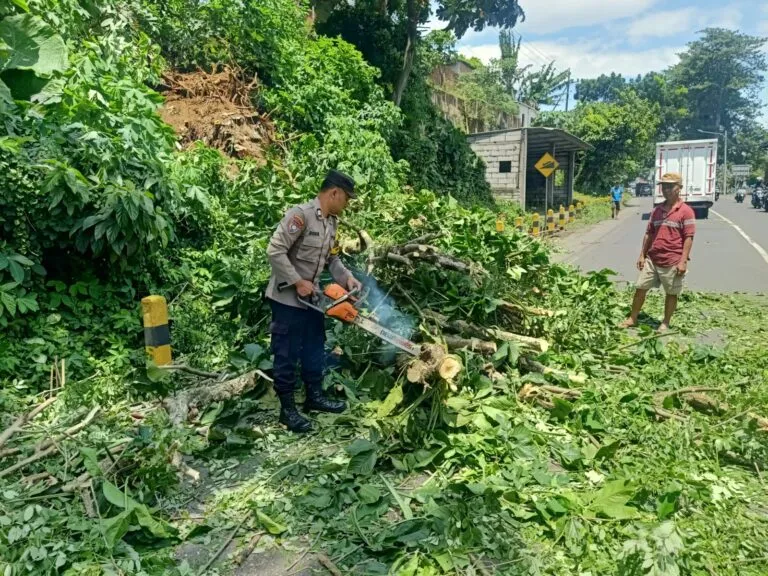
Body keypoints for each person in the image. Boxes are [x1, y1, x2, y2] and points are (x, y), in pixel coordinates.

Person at [265, 169, 362, 433]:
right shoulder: (301, 215)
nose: (347, 204)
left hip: (312, 301)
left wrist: (347, 279)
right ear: (334, 193)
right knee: (286, 353)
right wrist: (298, 281)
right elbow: (275, 250)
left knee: (314, 348)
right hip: (287, 299)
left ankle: (314, 397)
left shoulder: (331, 223)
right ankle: (287, 410)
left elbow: (332, 259)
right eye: (347, 199)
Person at [620, 173, 695, 331]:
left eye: (670, 186)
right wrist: (642, 254)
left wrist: (683, 261)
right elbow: (649, 233)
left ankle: (665, 322)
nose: (666, 190)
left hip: (673, 260)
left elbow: (688, 237)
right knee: (640, 288)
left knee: (671, 293)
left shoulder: (686, 211)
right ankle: (633, 318)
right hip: (653, 258)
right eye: (664, 186)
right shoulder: (657, 210)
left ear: (679, 188)